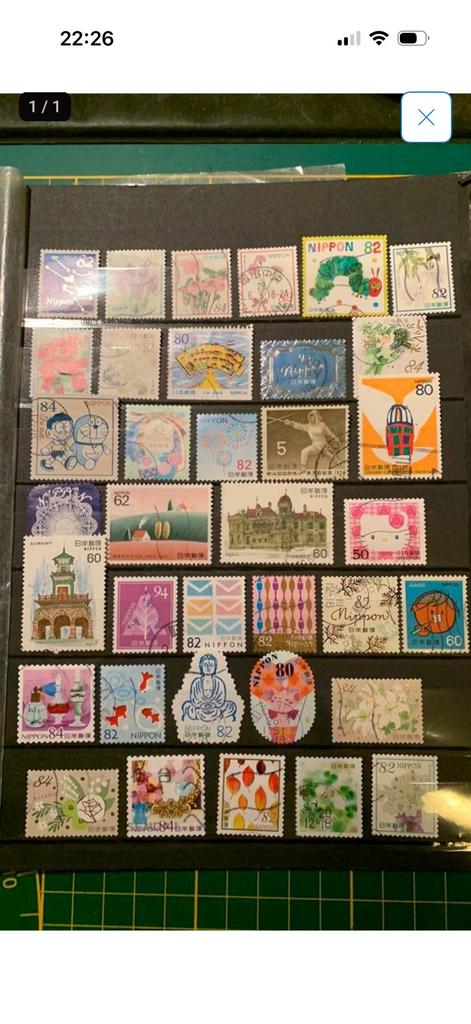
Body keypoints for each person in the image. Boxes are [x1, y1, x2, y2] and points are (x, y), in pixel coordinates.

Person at [182, 653, 237, 722]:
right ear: (201, 666)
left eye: (211, 665)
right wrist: (203, 704)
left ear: (215, 667)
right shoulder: (196, 682)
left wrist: (213, 704)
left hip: (215, 709)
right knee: (187, 706)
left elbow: (221, 701)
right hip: (200, 709)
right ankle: (216, 717)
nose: (208, 668)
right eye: (205, 665)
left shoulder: (219, 682)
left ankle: (206, 717)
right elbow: (194, 700)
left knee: (231, 706)